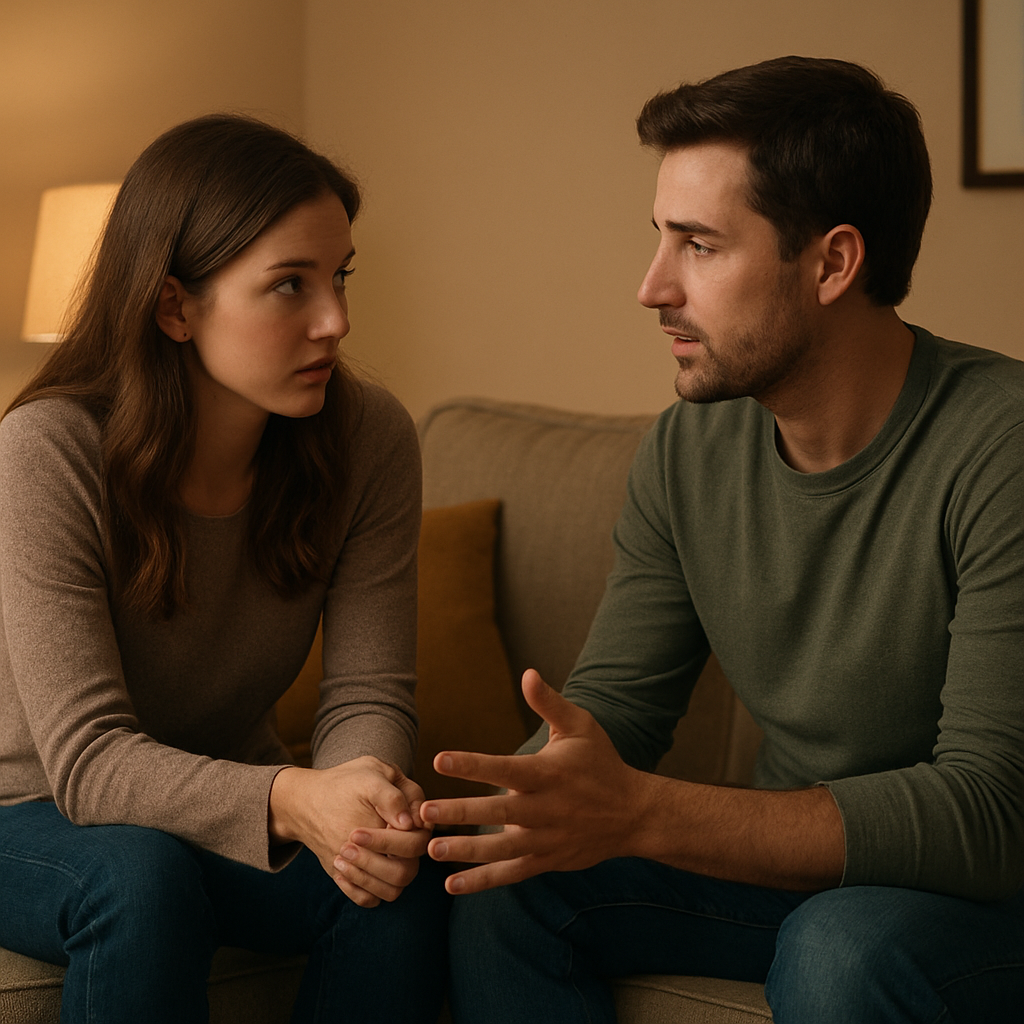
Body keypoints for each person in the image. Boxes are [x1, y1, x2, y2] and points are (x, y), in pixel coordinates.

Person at [406, 57, 1024, 1022]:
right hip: (805, 884)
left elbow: (987, 815)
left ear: (832, 262)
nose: (652, 287)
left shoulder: (1001, 446)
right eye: (660, 239)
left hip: (988, 900)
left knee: (842, 949)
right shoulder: (689, 448)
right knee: (508, 882)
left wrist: (650, 811)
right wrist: (509, 805)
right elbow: (616, 703)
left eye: (698, 245)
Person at [0, 114, 448, 1022]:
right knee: (139, 876)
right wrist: (295, 798)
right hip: (28, 808)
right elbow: (86, 765)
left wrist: (361, 810)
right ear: (175, 306)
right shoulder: (45, 449)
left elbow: (367, 693)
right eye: (290, 285)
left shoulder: (370, 438)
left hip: (214, 797)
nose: (337, 321)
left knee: (406, 873)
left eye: (339, 277)